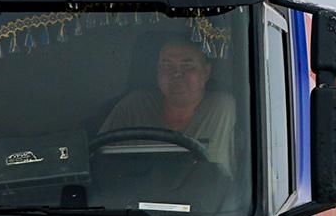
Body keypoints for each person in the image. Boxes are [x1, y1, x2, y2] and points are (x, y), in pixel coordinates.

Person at [100, 35, 236, 165]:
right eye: (167, 65)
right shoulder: (134, 106)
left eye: (187, 65)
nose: (176, 74)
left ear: (206, 72)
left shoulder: (225, 109)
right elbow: (99, 160)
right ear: (157, 71)